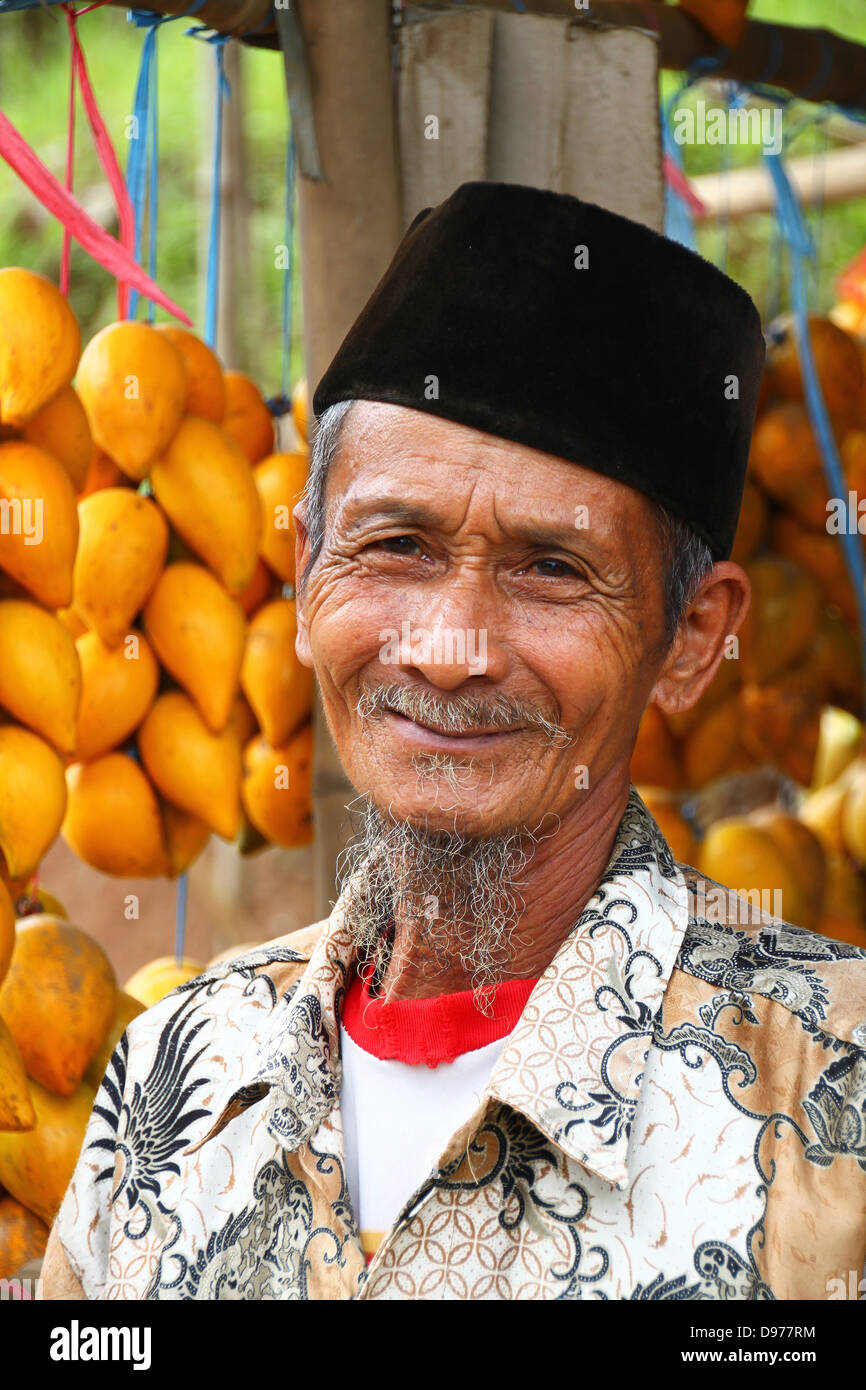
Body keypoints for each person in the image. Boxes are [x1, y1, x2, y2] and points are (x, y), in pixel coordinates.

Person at [42, 181, 866, 1301]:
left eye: (549, 568)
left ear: (689, 637)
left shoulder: (835, 1102)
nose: (446, 647)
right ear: (301, 574)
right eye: (394, 545)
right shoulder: (171, 1078)